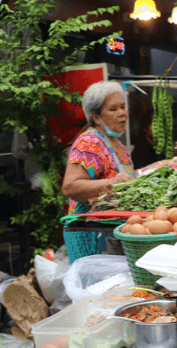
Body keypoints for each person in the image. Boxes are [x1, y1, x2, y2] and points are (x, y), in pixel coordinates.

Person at [61, 81, 135, 261]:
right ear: (96, 117)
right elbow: (70, 187)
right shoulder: (89, 142)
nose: (122, 113)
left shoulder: (118, 144)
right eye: (113, 109)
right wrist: (111, 183)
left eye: (123, 107)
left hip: (111, 233)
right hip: (91, 234)